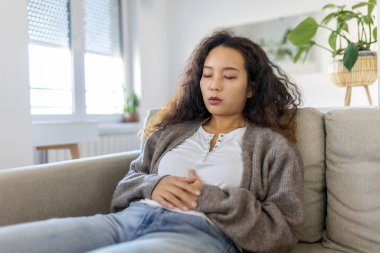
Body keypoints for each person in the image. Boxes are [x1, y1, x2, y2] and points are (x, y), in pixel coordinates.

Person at [0, 30, 304, 253]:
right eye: (207, 74)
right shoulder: (169, 132)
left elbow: (283, 231)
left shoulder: (272, 147)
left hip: (198, 236)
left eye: (229, 76)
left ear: (251, 88)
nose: (214, 85)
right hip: (127, 221)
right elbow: (123, 189)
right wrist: (153, 185)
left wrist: (209, 197)